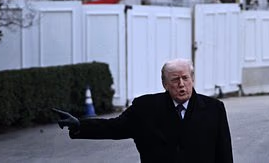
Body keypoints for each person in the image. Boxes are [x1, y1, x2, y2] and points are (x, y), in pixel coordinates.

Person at [53, 58, 233, 162]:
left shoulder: (214, 109)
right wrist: (79, 125)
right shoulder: (145, 108)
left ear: (192, 79)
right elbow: (114, 127)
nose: (181, 85)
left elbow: (224, 154)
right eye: (175, 80)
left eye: (185, 78)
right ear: (164, 84)